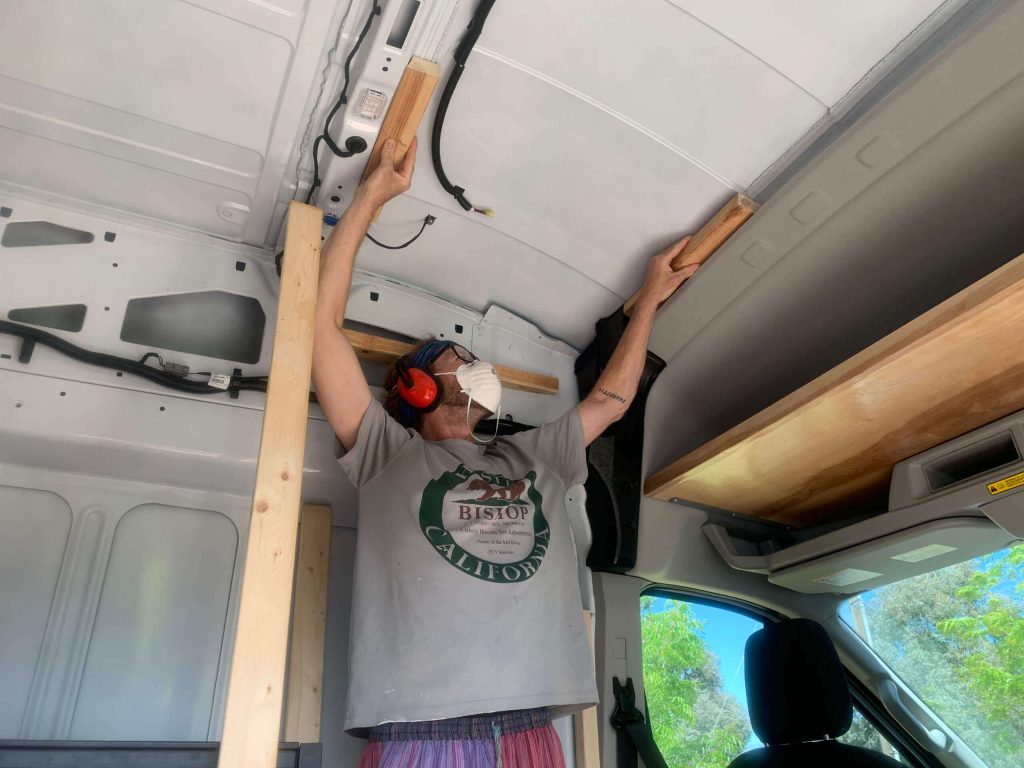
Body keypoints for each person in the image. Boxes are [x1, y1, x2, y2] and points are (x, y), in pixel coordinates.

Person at [311, 137, 698, 768]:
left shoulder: (532, 456)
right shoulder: (384, 449)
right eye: (456, 362)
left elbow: (613, 401)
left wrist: (650, 297)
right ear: (416, 386)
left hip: (530, 729)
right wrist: (369, 200)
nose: (473, 371)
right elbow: (320, 329)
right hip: (421, 730)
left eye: (476, 365)